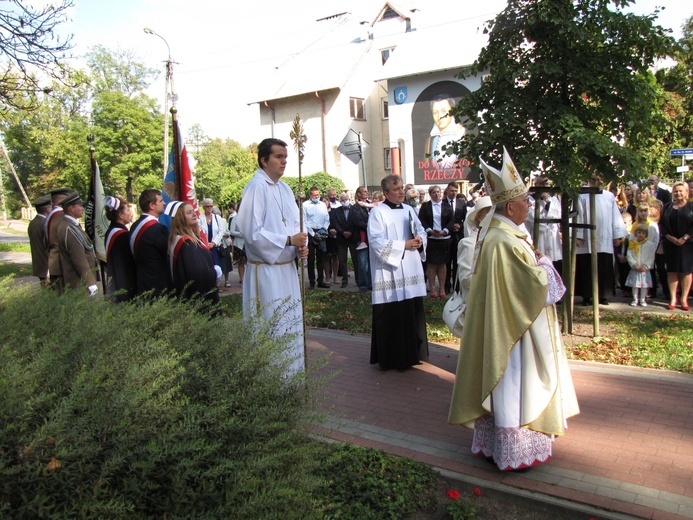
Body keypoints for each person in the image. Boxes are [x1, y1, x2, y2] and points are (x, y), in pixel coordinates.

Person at [448, 148, 579, 472]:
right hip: (513, 335)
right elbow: (533, 286)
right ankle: (514, 450)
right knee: (515, 385)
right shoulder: (502, 240)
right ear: (509, 206)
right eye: (525, 200)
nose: (529, 204)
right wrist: (545, 263)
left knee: (514, 386)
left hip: (511, 326)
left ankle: (503, 445)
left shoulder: (504, 234)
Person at [236, 138, 308, 377]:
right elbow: (251, 232)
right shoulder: (256, 187)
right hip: (267, 272)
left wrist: (301, 247)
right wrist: (288, 241)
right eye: (278, 156)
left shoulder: (285, 188)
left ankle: (292, 378)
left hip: (287, 270)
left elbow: (296, 226)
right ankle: (272, 381)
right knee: (272, 325)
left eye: (286, 157)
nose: (284, 161)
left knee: (290, 325)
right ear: (264, 160)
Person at [368, 174, 428, 370]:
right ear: (386, 193)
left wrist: (420, 241)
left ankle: (412, 355)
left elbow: (421, 231)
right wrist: (404, 245)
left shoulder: (410, 209)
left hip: (410, 267)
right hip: (389, 271)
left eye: (402, 188)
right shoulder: (378, 213)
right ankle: (392, 358)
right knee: (393, 313)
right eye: (396, 189)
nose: (402, 191)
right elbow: (376, 242)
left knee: (410, 311)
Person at [575, 174, 627, 305]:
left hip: (604, 236)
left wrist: (617, 235)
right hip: (586, 237)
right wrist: (578, 235)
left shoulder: (609, 196)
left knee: (603, 265)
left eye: (600, 180)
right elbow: (578, 215)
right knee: (586, 266)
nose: (598, 182)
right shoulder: (582, 195)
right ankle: (586, 296)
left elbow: (615, 215)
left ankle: (602, 295)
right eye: (595, 180)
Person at [166, 201, 221, 309]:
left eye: (193, 211)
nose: (194, 214)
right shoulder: (187, 244)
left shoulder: (184, 239)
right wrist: (215, 272)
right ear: (180, 218)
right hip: (197, 301)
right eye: (189, 212)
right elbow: (198, 274)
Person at [452, 195, 492, 334]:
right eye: (490, 214)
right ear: (480, 217)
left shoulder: (495, 242)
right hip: (476, 305)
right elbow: (466, 279)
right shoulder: (469, 243)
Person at [129, 188, 171, 297]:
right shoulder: (158, 229)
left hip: (141, 280)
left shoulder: (135, 225)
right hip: (158, 283)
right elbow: (169, 254)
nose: (164, 203)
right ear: (152, 205)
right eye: (161, 201)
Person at [56, 191, 98, 295]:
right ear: (71, 208)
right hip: (78, 283)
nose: (83, 208)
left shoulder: (71, 225)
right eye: (80, 206)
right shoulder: (70, 228)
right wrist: (90, 283)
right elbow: (78, 259)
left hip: (78, 282)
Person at [659, 181, 693, 310]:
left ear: (686, 192)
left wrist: (684, 238)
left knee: (686, 271)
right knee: (672, 270)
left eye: (680, 191)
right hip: (670, 243)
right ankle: (673, 298)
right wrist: (670, 238)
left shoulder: (691, 206)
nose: (678, 193)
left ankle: (684, 298)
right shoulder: (667, 207)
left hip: (688, 244)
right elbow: (661, 224)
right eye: (676, 191)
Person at [418, 185, 453, 298]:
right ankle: (432, 288)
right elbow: (421, 220)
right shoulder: (425, 205)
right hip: (431, 239)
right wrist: (429, 231)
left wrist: (445, 231)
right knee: (431, 264)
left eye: (438, 192)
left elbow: (451, 220)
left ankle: (442, 288)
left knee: (442, 265)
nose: (436, 194)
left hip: (444, 239)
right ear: (430, 194)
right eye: (433, 192)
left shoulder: (447, 205)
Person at [103, 196, 136, 302]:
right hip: (124, 283)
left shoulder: (112, 231)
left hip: (116, 281)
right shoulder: (121, 235)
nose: (129, 213)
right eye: (127, 210)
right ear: (121, 215)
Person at [424, 95, 465, 168]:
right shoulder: (430, 139)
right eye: (435, 113)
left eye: (444, 111)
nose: (440, 117)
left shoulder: (462, 134)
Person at [330, 192, 359, 288]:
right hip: (341, 238)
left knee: (355, 260)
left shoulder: (354, 209)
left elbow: (356, 222)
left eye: (345, 199)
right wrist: (343, 232)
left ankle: (358, 280)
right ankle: (344, 280)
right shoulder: (336, 211)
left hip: (352, 238)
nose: (344, 201)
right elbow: (335, 223)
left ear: (349, 199)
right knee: (342, 260)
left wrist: (350, 232)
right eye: (342, 200)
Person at [302, 186, 330, 289]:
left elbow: (327, 218)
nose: (316, 197)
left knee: (321, 258)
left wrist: (323, 230)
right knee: (310, 259)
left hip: (321, 231)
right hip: (310, 232)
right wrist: (313, 234)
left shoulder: (322, 204)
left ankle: (321, 281)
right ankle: (312, 281)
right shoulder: (305, 205)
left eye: (317, 195)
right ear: (310, 195)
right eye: (314, 195)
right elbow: (304, 220)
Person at [45, 186, 72, 291]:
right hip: (61, 263)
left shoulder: (51, 215)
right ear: (62, 200)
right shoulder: (60, 216)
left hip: (54, 260)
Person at [443, 182, 467, 294]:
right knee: (447, 262)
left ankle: (457, 287)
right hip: (446, 236)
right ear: (447, 191)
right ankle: (446, 286)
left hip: (458, 236)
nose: (453, 193)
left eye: (455, 191)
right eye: (452, 191)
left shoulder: (461, 204)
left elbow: (465, 219)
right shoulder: (442, 203)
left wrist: (460, 225)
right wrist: (449, 226)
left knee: (457, 262)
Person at [201, 198, 228, 291]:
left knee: (217, 266)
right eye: (207, 206)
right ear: (204, 207)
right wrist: (206, 243)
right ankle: (208, 285)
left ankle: (217, 285)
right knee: (206, 266)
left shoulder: (217, 218)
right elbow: (199, 232)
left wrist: (214, 243)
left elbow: (221, 232)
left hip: (215, 247)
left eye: (211, 206)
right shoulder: (200, 218)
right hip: (204, 246)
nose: (209, 208)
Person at [625, 224, 655, 307]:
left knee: (644, 286)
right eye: (639, 232)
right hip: (635, 269)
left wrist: (645, 266)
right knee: (635, 285)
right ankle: (635, 299)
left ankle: (642, 300)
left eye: (643, 233)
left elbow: (651, 256)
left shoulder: (649, 245)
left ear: (646, 234)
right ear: (636, 233)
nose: (641, 234)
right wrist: (634, 265)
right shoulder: (632, 244)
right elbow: (629, 255)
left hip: (644, 270)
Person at [27, 194, 51, 286]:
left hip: (39, 264)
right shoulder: (45, 224)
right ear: (47, 209)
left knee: (45, 292)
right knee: (51, 293)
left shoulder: (33, 223)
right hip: (47, 266)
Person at [352, 186, 372, 292]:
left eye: (367, 191)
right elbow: (358, 222)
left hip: (372, 237)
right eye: (364, 191)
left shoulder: (371, 205)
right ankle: (363, 284)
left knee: (371, 262)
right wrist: (371, 226)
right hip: (361, 238)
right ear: (358, 194)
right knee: (363, 262)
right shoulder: (355, 207)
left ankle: (371, 283)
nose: (367, 193)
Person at [228, 200, 247, 286]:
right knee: (241, 263)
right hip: (239, 244)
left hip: (248, 244)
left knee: (249, 263)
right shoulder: (235, 218)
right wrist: (241, 234)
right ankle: (242, 280)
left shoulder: (249, 218)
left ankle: (248, 280)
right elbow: (231, 231)